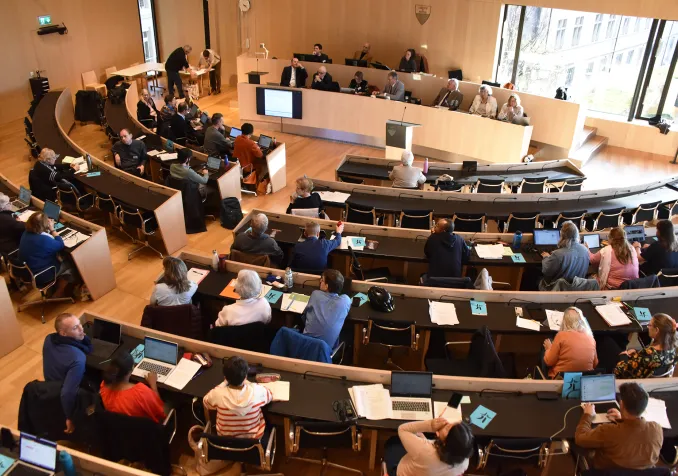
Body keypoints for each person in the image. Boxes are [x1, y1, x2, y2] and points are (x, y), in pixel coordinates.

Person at [575, 382, 663, 470]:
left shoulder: (608, 431)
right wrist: (622, 419)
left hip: (606, 471)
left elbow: (580, 438)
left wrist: (588, 415)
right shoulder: (656, 429)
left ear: (621, 404)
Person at [42, 313, 92, 434]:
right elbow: (67, 393)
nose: (81, 329)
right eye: (75, 328)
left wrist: (79, 335)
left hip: (50, 388)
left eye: (79, 324)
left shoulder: (49, 339)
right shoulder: (78, 358)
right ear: (63, 333)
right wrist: (69, 418)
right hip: (65, 396)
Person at [203, 356, 273, 438]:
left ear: (225, 377)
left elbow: (206, 401)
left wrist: (224, 383)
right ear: (245, 376)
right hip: (253, 441)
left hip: (224, 441)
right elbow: (270, 395)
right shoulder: (256, 391)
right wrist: (249, 383)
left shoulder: (218, 394)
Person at [383, 419, 474, 476]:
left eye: (447, 428)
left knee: (392, 442)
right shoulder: (465, 460)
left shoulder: (424, 450)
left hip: (400, 472)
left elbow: (402, 429)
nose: (446, 423)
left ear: (446, 443)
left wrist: (430, 425)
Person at [20, 212, 77, 297]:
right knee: (71, 264)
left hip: (28, 272)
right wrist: (52, 229)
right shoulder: (43, 240)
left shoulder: (26, 233)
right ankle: (59, 292)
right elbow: (60, 244)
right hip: (42, 274)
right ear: (44, 225)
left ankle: (54, 286)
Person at [99, 351, 165, 423]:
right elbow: (160, 414)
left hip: (119, 427)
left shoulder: (104, 385)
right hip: (145, 428)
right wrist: (153, 385)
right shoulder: (141, 392)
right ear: (132, 368)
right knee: (169, 402)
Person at [614, 313, 677, 379]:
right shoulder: (674, 349)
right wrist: (636, 354)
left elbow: (621, 372)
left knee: (608, 341)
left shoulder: (648, 354)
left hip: (631, 381)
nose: (648, 327)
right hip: (653, 381)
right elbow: (643, 361)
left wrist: (624, 356)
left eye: (649, 325)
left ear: (657, 330)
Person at [301, 269, 351, 348]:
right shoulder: (345, 300)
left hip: (304, 346)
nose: (320, 281)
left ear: (327, 286)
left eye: (322, 280)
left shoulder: (315, 294)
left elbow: (305, 316)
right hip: (325, 351)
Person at [543, 307, 598, 378]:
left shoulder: (561, 335)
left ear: (564, 321)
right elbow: (595, 363)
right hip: (584, 379)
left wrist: (548, 348)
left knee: (545, 347)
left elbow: (549, 362)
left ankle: (541, 379)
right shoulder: (591, 338)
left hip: (562, 378)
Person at [539, 221, 590, 290]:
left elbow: (546, 271)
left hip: (558, 289)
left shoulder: (558, 254)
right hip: (578, 289)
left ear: (562, 236)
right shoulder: (585, 250)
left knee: (536, 277)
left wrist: (546, 257)